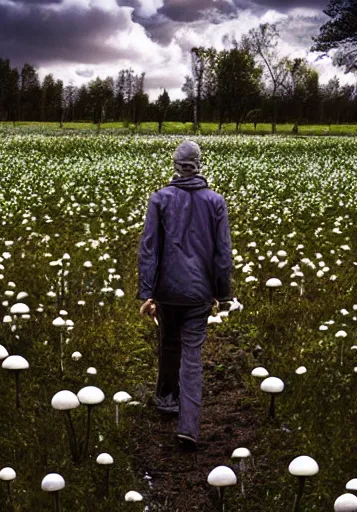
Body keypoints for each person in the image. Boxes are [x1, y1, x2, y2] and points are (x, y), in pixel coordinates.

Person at [137, 140, 233, 451]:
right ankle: (188, 427)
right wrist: (223, 294)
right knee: (191, 357)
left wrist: (147, 293)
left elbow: (149, 249)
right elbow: (223, 255)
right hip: (199, 294)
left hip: (167, 291)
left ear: (176, 166)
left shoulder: (160, 199)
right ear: (199, 165)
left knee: (168, 342)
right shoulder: (215, 202)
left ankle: (166, 399)